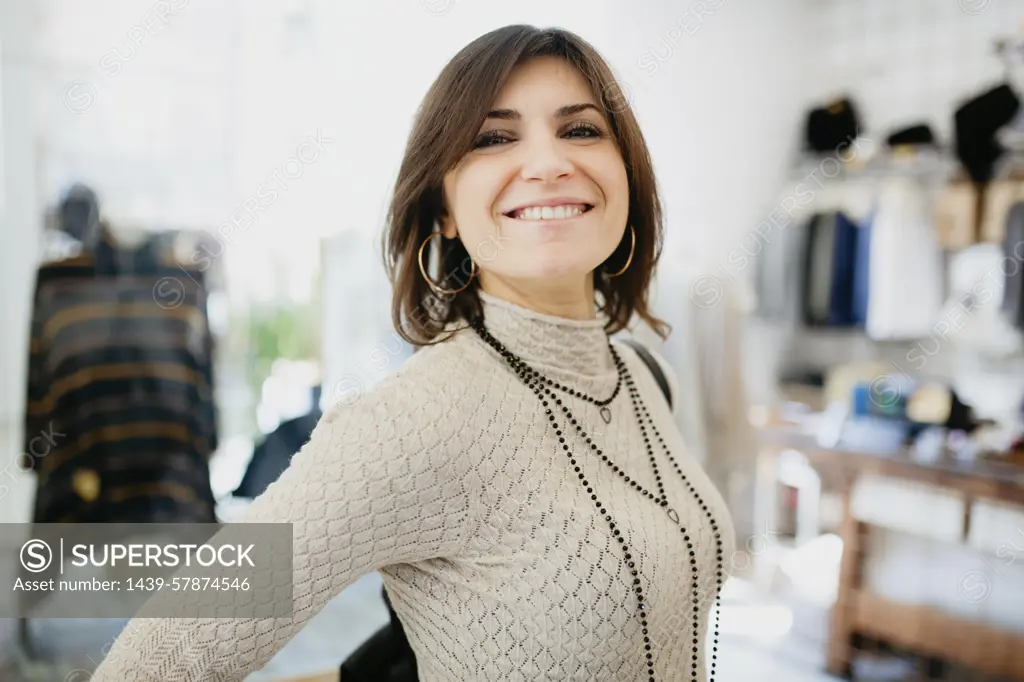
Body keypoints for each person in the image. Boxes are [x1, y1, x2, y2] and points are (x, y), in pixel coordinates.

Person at [92, 24, 735, 682]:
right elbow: (163, 656)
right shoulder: (417, 418)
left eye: (581, 130)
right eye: (493, 137)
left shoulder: (645, 376)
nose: (548, 163)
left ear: (626, 171)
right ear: (445, 210)